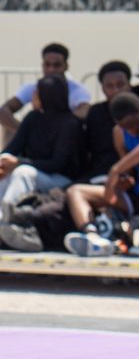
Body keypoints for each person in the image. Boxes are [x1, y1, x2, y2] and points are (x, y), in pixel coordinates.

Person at [0, 73, 83, 250]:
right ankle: (6, 229)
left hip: (61, 180)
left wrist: (19, 163)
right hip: (34, 173)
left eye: (37, 93)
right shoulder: (32, 118)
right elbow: (13, 147)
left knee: (23, 172)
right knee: (3, 173)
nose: (33, 97)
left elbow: (57, 163)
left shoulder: (70, 123)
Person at [61, 61, 132, 255]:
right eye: (110, 86)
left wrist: (119, 176)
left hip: (125, 189)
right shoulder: (108, 122)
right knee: (71, 193)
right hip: (109, 183)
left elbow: (122, 166)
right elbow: (118, 162)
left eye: (121, 85)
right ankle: (93, 237)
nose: (116, 90)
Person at [0, 43, 91, 139]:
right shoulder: (33, 87)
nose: (51, 69)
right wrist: (24, 132)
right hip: (38, 138)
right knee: (8, 128)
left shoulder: (77, 89)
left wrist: (56, 128)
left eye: (56, 65)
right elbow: (2, 112)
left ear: (66, 66)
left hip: (65, 137)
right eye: (47, 64)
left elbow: (84, 111)